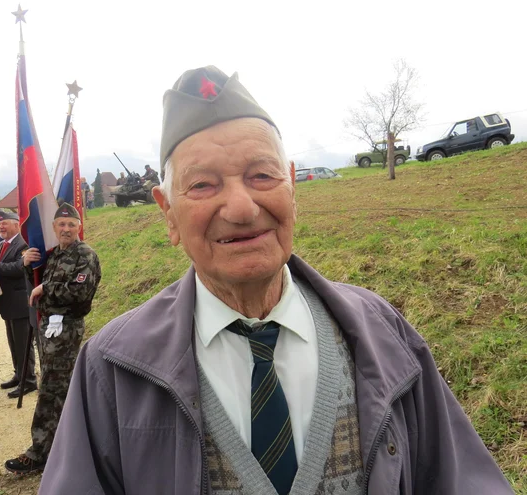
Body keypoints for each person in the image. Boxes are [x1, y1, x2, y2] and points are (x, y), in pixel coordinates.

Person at [39, 66, 514, 495]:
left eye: (261, 175)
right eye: (203, 185)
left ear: (291, 185)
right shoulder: (112, 370)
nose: (242, 208)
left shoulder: (384, 334)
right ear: (168, 213)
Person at [4, 203, 101, 474]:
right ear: (54, 227)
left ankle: (39, 453)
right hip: (48, 328)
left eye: (71, 224)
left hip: (66, 329)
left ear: (79, 227)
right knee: (59, 388)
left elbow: (80, 292)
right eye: (61, 224)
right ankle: (68, 447)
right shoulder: (56, 254)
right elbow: (37, 281)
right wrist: (26, 267)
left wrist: (46, 288)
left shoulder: (85, 255)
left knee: (51, 390)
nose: (66, 229)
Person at [0, 211, 37, 399]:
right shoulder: (0, 244)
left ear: (17, 225)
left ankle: (29, 380)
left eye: (5, 224)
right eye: (0, 224)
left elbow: (19, 268)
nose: (1, 227)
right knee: (13, 343)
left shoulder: (24, 244)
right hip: (7, 301)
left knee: (23, 344)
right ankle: (19, 374)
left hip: (20, 303)